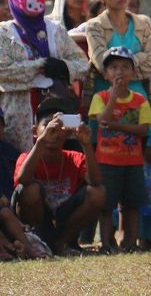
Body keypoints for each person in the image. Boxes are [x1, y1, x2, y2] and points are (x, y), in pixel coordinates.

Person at [0, 0, 89, 153]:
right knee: (23, 167)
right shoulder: (4, 33)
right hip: (20, 114)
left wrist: (64, 67)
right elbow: (4, 72)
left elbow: (83, 63)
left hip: (58, 106)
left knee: (62, 161)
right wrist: (41, 65)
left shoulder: (55, 30)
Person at [87, 46, 151, 251]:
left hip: (132, 161)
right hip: (107, 161)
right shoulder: (101, 97)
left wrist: (117, 126)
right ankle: (107, 242)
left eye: (125, 67)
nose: (119, 72)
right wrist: (114, 96)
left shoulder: (140, 100)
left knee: (131, 204)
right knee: (106, 205)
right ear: (105, 74)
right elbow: (102, 121)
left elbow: (143, 129)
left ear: (133, 73)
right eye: (114, 67)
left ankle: (129, 242)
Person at [12, 110, 105, 256]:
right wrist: (41, 141)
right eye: (49, 128)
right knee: (30, 190)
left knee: (98, 193)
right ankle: (38, 242)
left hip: (64, 219)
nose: (53, 134)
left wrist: (86, 145)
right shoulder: (26, 157)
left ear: (67, 134)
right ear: (35, 131)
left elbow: (96, 182)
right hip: (37, 220)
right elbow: (23, 180)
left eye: (58, 129)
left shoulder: (75, 158)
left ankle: (61, 243)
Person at [83, 0, 151, 117]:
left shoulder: (144, 23)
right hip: (104, 101)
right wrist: (140, 57)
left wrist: (117, 69)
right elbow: (102, 65)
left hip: (138, 101)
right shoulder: (94, 26)